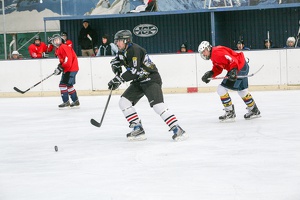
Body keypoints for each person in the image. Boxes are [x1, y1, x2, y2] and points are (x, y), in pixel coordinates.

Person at [107, 30, 187, 141]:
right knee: (124, 102)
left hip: (151, 79)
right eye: (116, 41)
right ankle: (137, 128)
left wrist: (119, 79)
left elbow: (133, 71)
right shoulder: (121, 51)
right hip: (139, 81)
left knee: (158, 105)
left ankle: (177, 129)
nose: (117, 43)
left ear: (126, 40)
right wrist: (115, 66)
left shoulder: (134, 50)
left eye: (119, 41)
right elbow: (116, 61)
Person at [198, 41, 261, 121]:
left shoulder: (216, 53)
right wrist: (211, 73)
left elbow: (232, 59)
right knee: (242, 91)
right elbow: (218, 67)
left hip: (238, 68)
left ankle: (230, 112)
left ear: (208, 48)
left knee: (221, 89)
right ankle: (254, 110)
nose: (203, 54)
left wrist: (234, 70)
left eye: (204, 51)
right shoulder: (214, 54)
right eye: (202, 53)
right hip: (242, 66)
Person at [50, 34, 80, 108]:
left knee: (62, 85)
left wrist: (62, 67)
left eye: (58, 40)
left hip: (70, 68)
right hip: (70, 68)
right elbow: (63, 60)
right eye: (55, 40)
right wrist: (59, 67)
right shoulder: (58, 49)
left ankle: (66, 101)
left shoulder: (63, 47)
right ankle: (75, 101)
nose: (57, 41)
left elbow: (68, 60)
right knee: (69, 85)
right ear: (53, 42)